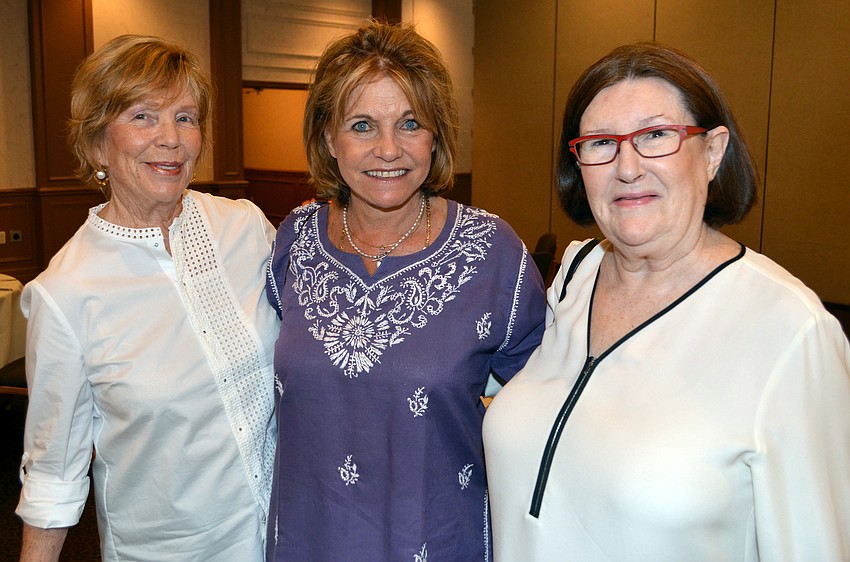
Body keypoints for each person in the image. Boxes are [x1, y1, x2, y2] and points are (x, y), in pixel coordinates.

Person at [483, 43, 850, 561]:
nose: (626, 167)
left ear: (713, 152)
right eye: (601, 142)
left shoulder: (790, 331)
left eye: (656, 135)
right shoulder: (574, 276)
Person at [265, 20, 546, 560]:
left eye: (410, 123)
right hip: (309, 537)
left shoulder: (493, 252)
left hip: (439, 538)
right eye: (363, 125)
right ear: (328, 138)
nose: (389, 149)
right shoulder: (294, 242)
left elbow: (544, 405)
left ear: (435, 134)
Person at [16, 35, 279, 561]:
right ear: (96, 145)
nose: (171, 139)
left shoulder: (245, 228)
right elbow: (53, 476)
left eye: (185, 117)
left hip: (284, 536)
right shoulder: (65, 294)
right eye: (143, 117)